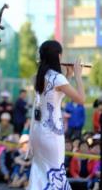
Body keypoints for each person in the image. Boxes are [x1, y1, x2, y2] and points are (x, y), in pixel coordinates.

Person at [27, 40, 85, 189]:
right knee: (55, 173)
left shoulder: (39, 76)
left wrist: (69, 76)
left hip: (39, 132)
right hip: (52, 134)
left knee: (41, 172)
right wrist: (78, 75)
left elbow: (56, 96)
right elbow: (81, 99)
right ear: (58, 56)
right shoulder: (57, 78)